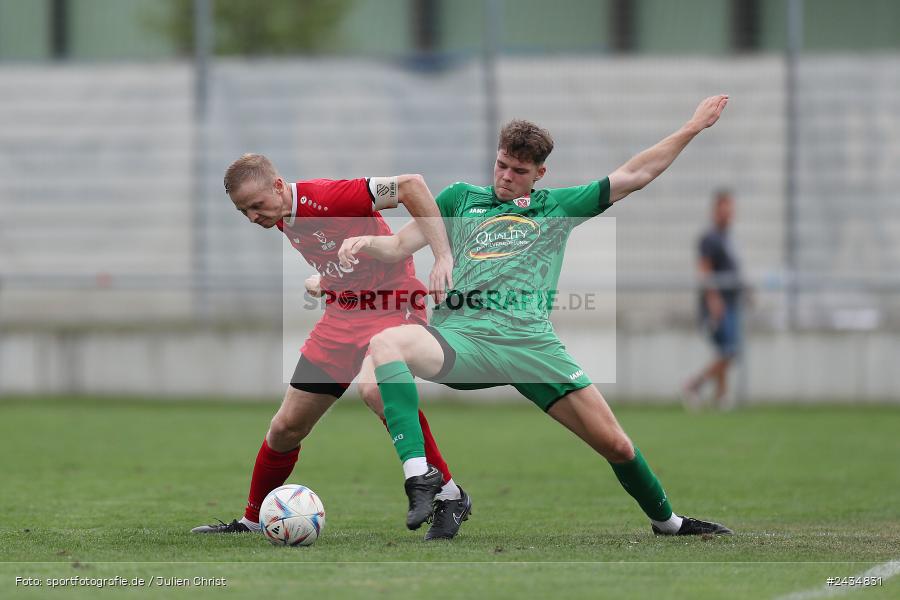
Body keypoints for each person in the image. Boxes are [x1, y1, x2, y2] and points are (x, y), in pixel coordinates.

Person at [340, 96, 734, 536]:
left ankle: (668, 522)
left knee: (616, 445)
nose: (506, 177)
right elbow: (397, 246)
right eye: (502, 164)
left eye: (519, 171)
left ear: (540, 173)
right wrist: (363, 244)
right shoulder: (459, 199)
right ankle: (425, 479)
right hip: (464, 340)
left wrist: (692, 126)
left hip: (531, 345)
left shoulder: (556, 208)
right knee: (381, 354)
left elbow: (635, 175)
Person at [192, 154, 471, 540]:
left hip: (392, 306)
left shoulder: (327, 196)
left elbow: (412, 186)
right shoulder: (281, 217)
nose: (253, 217)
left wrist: (442, 256)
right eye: (244, 212)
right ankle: (254, 521)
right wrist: (326, 280)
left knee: (375, 391)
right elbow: (338, 253)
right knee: (285, 428)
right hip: (342, 318)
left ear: (278, 186)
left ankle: (447, 493)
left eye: (256, 206)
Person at [683, 189, 743, 409]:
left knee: (724, 351)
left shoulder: (727, 238)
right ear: (716, 210)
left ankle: (721, 396)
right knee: (729, 351)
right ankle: (694, 385)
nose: (729, 214)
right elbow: (705, 271)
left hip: (729, 302)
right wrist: (714, 301)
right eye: (725, 209)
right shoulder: (710, 238)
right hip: (719, 304)